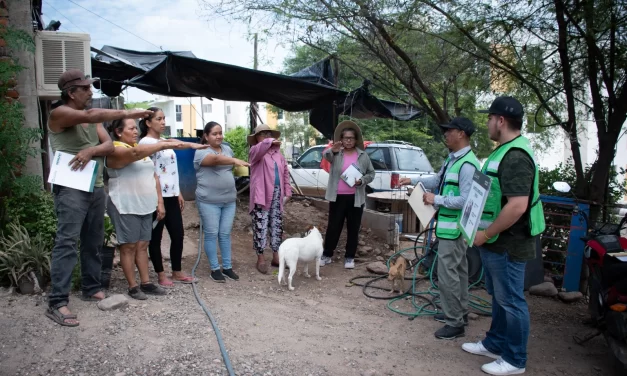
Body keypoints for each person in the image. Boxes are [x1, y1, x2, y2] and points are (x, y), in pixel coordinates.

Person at [45, 69, 153, 327]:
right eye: (85, 88)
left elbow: (108, 146)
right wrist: (128, 113)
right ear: (71, 92)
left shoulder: (92, 117)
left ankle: (91, 287)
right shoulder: (59, 113)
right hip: (70, 187)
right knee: (67, 242)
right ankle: (57, 300)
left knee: (93, 241)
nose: (91, 92)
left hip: (94, 185)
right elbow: (92, 116)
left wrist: (90, 149)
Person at [462, 96, 545, 375]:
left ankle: (515, 359)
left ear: (500, 120)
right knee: (499, 296)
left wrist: (485, 233)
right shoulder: (503, 150)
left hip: (508, 242)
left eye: (489, 118)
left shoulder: (516, 156)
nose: (486, 123)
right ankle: (495, 342)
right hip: (496, 242)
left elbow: (518, 205)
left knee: (511, 300)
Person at [106, 118, 207, 299]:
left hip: (145, 204)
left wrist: (159, 202)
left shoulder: (142, 153)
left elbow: (154, 176)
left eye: (136, 128)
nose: (136, 131)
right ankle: (133, 286)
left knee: (143, 245)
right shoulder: (116, 150)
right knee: (128, 246)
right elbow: (139, 152)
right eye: (131, 128)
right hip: (125, 204)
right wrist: (167, 145)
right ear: (119, 132)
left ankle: (146, 283)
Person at [399, 117, 480, 340]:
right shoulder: (453, 160)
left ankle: (455, 323)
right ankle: (459, 314)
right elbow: (437, 179)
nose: (445, 135)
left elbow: (466, 200)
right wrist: (412, 180)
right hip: (448, 229)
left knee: (449, 276)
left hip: (454, 230)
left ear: (461, 133)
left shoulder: (468, 164)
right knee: (458, 273)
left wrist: (437, 199)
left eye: (449, 131)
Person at [138, 107, 195, 287]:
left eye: (164, 119)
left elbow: (171, 170)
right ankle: (161, 275)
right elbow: (150, 173)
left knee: (178, 234)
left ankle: (177, 271)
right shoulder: (146, 143)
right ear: (148, 122)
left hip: (171, 195)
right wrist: (159, 201)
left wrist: (178, 192)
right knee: (156, 237)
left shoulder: (164, 141)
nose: (163, 122)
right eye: (159, 119)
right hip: (155, 197)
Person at [194, 122, 249, 282]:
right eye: (214, 134)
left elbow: (227, 165)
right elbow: (215, 160)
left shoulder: (227, 149)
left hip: (229, 200)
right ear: (206, 136)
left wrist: (236, 165)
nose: (219, 136)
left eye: (220, 133)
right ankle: (214, 269)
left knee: (225, 234)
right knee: (211, 234)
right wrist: (234, 160)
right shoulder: (201, 151)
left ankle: (227, 267)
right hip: (208, 201)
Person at [320, 120, 375, 269]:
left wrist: (362, 180)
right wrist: (333, 149)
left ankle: (349, 257)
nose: (349, 140)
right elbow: (325, 155)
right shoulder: (337, 153)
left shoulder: (362, 155)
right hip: (337, 197)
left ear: (356, 140)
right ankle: (327, 254)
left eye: (351, 138)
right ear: (341, 139)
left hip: (355, 198)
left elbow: (371, 173)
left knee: (353, 228)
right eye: (346, 138)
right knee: (333, 226)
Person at [247, 124, 292, 274]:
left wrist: (287, 191)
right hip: (261, 194)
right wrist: (268, 141)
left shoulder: (278, 154)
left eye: (268, 133)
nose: (266, 136)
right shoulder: (255, 151)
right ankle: (260, 258)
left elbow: (285, 173)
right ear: (256, 138)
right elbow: (261, 148)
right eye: (262, 134)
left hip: (277, 193)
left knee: (276, 225)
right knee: (261, 225)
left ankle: (276, 257)